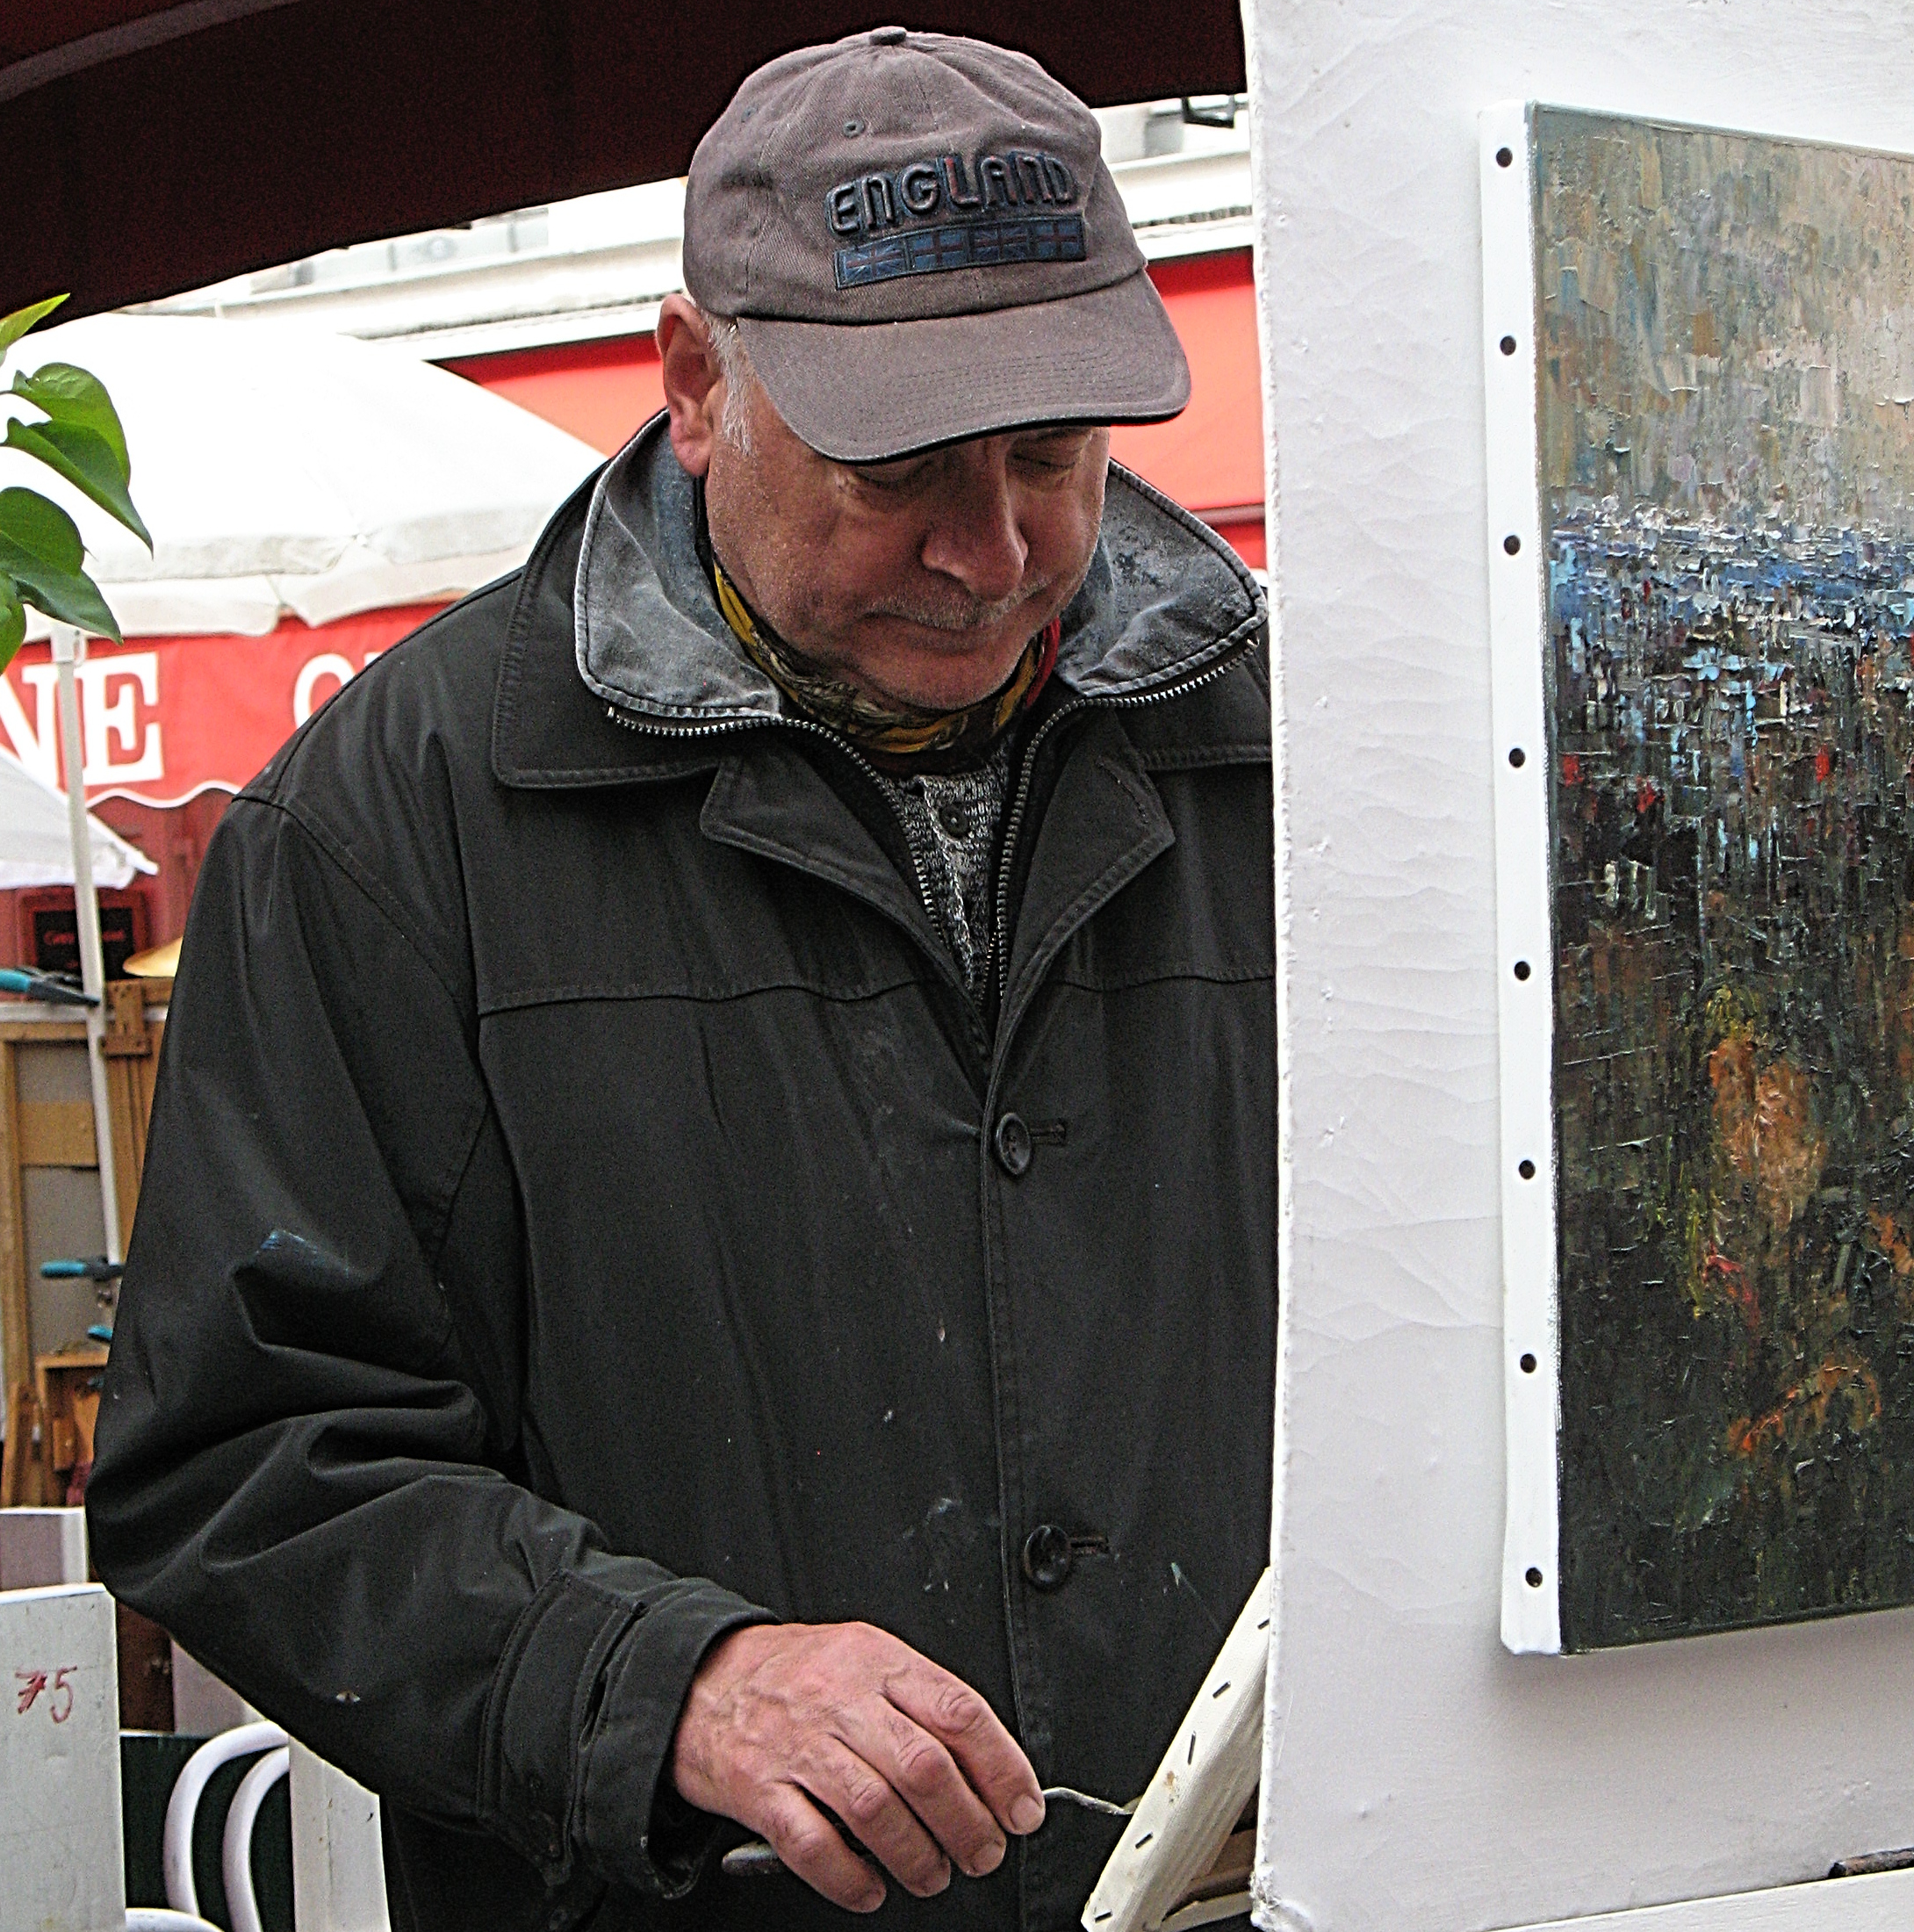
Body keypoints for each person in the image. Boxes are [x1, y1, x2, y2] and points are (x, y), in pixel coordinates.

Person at [88, 27, 1275, 1931]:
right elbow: (244, 1460)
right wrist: (669, 1687)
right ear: (697, 383)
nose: (991, 550)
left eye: (1051, 455)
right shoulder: (390, 822)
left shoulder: (1307, 755)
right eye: (899, 467)